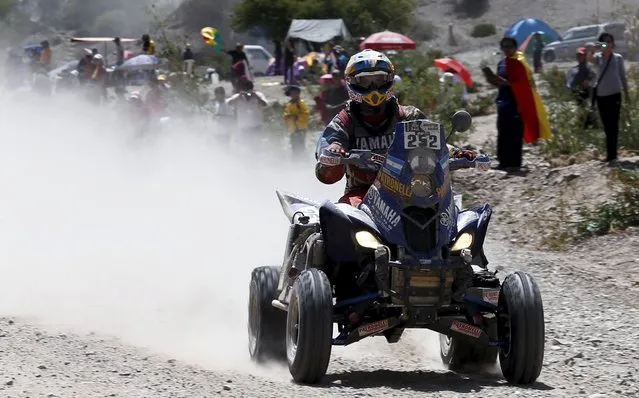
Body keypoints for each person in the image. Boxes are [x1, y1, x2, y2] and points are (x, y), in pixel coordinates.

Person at [315, 49, 476, 206]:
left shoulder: (408, 116)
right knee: (343, 217)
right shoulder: (344, 120)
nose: (374, 88)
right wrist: (334, 150)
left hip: (414, 189)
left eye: (379, 80)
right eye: (365, 81)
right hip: (363, 192)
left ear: (389, 80)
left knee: (455, 215)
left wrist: (457, 152)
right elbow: (327, 155)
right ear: (352, 82)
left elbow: (434, 143)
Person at [483, 36, 551, 171]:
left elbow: (522, 84)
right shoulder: (502, 63)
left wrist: (505, 83)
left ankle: (514, 164)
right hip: (503, 102)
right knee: (502, 132)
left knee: (514, 133)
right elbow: (499, 83)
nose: (507, 49)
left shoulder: (519, 62)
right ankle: (503, 162)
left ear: (515, 48)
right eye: (504, 47)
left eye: (509, 46)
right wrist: (493, 80)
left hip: (516, 103)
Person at [589, 33, 630, 164]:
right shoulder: (598, 58)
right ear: (601, 44)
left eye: (610, 41)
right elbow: (589, 58)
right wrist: (593, 49)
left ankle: (612, 155)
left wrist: (627, 94)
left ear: (613, 43)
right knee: (607, 126)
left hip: (615, 95)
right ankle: (610, 154)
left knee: (614, 126)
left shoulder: (618, 58)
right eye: (605, 42)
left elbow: (623, 77)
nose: (608, 44)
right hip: (602, 97)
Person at [283, 85, 310, 155]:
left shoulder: (301, 103)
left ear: (298, 93)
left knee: (301, 147)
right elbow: (286, 114)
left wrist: (297, 116)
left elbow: (306, 113)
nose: (292, 95)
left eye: (294, 93)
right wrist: (288, 116)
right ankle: (296, 162)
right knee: (294, 147)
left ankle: (303, 162)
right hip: (292, 129)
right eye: (291, 93)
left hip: (300, 128)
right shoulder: (289, 104)